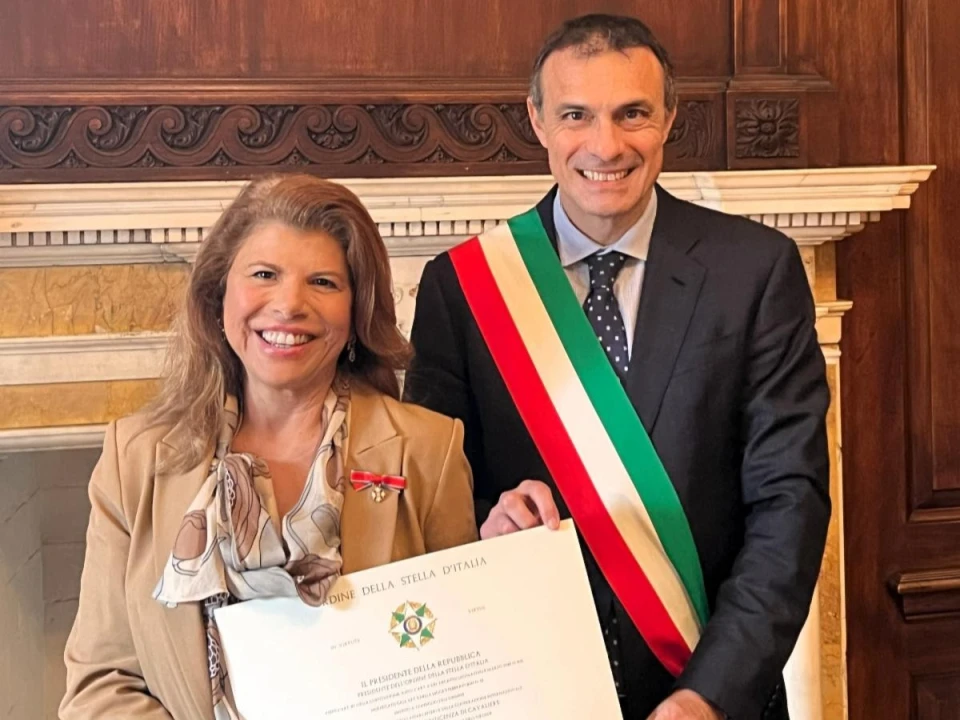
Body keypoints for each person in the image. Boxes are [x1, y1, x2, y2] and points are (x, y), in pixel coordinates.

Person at [403, 13, 830, 720]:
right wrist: (485, 527)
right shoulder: (464, 288)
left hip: (709, 693)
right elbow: (429, 509)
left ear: (668, 119)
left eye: (632, 113)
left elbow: (791, 503)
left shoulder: (754, 272)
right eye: (576, 115)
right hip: (531, 688)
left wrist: (707, 695)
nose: (606, 145)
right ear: (537, 120)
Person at [60, 175, 478, 719]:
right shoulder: (134, 457)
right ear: (219, 296)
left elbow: (461, 661)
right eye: (264, 274)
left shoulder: (429, 451)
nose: (289, 304)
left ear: (356, 311)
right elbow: (100, 684)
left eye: (323, 282)